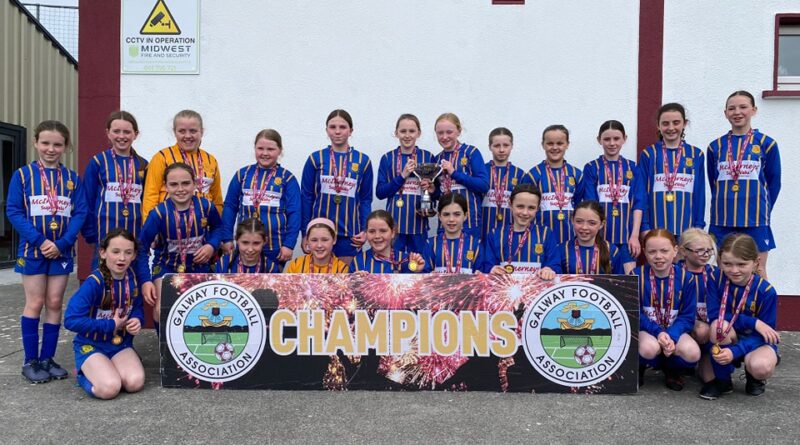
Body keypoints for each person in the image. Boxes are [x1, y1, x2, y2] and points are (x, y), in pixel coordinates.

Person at [7, 120, 87, 383]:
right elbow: (14, 211)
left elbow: (80, 213)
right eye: (45, 143)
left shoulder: (73, 179)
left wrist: (62, 243)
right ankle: (30, 361)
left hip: (61, 252)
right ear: (35, 143)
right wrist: (41, 241)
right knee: (35, 303)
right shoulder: (22, 175)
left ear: (65, 147)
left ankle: (47, 359)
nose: (51, 149)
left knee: (54, 303)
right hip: (33, 250)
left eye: (57, 144)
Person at [136, 163, 224, 336]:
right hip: (166, 267)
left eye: (185, 183)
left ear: (195, 184)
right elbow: (141, 248)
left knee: (203, 309)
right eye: (174, 184)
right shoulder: (158, 214)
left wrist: (211, 245)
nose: (180, 189)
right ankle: (166, 352)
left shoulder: (206, 206)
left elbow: (218, 228)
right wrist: (146, 280)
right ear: (166, 187)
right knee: (162, 306)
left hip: (199, 267)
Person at [707, 91, 781, 280]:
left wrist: (761, 209)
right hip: (722, 220)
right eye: (732, 108)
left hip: (755, 220)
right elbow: (712, 181)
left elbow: (774, 183)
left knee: (757, 270)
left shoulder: (767, 144)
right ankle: (725, 309)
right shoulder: (715, 147)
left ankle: (760, 310)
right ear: (725, 113)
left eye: (743, 107)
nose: (737, 112)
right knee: (724, 271)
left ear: (753, 110)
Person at [64, 228, 145, 399]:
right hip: (91, 344)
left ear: (134, 255)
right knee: (109, 389)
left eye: (127, 252)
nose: (121, 258)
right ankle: (82, 374)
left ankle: (107, 367)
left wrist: (137, 319)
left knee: (135, 382)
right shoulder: (93, 283)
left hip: (119, 343)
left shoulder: (133, 278)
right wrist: (110, 325)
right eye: (115, 252)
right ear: (103, 253)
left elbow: (136, 306)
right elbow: (70, 320)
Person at [699, 233, 780, 400]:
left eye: (742, 264)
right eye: (727, 264)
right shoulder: (716, 279)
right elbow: (714, 315)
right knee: (718, 327)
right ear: (720, 261)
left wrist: (735, 351)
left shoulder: (767, 292)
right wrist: (754, 322)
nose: (734, 270)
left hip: (756, 340)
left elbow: (765, 335)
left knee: (761, 366)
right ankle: (723, 381)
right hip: (728, 334)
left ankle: (754, 377)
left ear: (756, 262)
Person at [301, 110, 373, 264]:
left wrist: (365, 230)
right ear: (327, 130)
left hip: (350, 234)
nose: (338, 131)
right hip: (319, 233)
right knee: (320, 281)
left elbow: (365, 199)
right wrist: (305, 233)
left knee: (345, 281)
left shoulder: (363, 161)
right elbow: (307, 197)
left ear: (351, 130)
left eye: (343, 127)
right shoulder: (316, 158)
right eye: (333, 127)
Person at [221, 129, 301, 267]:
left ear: (280, 150)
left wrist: (289, 244)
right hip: (245, 246)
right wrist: (227, 238)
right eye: (260, 148)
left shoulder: (287, 178)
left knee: (270, 286)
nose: (265, 153)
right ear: (255, 149)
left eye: (270, 149)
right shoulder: (242, 175)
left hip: (275, 247)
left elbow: (295, 212)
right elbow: (229, 207)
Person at [82, 110, 149, 269]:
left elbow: (148, 201)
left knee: (135, 285)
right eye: (116, 131)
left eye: (127, 132)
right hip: (105, 235)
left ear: (135, 134)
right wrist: (91, 234)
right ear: (108, 133)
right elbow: (86, 201)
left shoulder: (143, 165)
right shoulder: (98, 162)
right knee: (103, 286)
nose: (122, 136)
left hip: (135, 236)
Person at [635, 229, 699, 391]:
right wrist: (658, 332)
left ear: (675, 251)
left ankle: (672, 369)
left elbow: (687, 316)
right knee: (648, 349)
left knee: (693, 353)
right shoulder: (636, 275)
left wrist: (671, 335)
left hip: (674, 329)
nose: (658, 256)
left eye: (664, 251)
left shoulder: (687, 278)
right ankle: (640, 366)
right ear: (644, 252)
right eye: (652, 251)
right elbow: (635, 313)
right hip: (648, 330)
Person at [578, 120, 644, 258]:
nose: (612, 143)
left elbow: (639, 203)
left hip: (627, 237)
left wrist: (635, 236)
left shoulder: (633, 168)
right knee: (601, 276)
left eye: (616, 138)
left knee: (628, 277)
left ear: (624, 139)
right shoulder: (591, 168)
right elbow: (591, 205)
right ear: (599, 140)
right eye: (607, 139)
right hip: (600, 237)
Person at [638, 103, 705, 237]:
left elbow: (699, 194)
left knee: (684, 258)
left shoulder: (696, 154)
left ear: (684, 123)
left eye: (676, 123)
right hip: (655, 228)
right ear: (658, 125)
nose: (671, 128)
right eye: (665, 123)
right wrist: (644, 226)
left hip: (687, 229)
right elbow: (642, 193)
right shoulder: (648, 154)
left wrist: (699, 227)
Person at [142, 109, 223, 217]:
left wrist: (217, 227)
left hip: (204, 225)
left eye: (193, 131)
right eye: (182, 131)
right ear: (175, 132)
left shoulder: (211, 160)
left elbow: (217, 199)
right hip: (169, 224)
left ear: (201, 132)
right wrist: (151, 228)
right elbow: (150, 196)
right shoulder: (162, 158)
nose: (188, 136)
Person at [375, 114, 436, 254]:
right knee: (394, 266)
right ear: (396, 133)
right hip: (394, 226)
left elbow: (436, 192)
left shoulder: (427, 157)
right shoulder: (387, 158)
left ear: (418, 133)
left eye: (412, 131)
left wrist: (431, 189)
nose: (407, 135)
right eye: (403, 131)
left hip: (418, 224)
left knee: (419, 267)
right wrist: (402, 176)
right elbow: (380, 193)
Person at [482, 183, 559, 279]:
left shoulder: (546, 234)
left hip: (538, 291)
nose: (525, 212)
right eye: (520, 206)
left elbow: (555, 264)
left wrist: (549, 269)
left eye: (531, 208)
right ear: (510, 205)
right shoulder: (495, 234)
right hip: (503, 291)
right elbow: (485, 265)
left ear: (538, 209)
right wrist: (491, 269)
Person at [432, 113, 489, 239]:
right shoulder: (436, 159)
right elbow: (439, 194)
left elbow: (484, 185)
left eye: (449, 132)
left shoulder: (471, 152)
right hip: (445, 225)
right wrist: (432, 190)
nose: (444, 137)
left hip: (469, 223)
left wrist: (454, 173)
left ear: (459, 131)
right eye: (440, 133)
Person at [522, 125, 582, 244]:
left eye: (560, 143)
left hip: (570, 237)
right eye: (550, 143)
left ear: (567, 144)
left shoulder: (577, 174)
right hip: (540, 237)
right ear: (543, 144)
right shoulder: (533, 175)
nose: (555, 147)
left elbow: (580, 205)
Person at [559, 201, 634, 275]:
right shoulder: (561, 250)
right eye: (579, 221)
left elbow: (621, 283)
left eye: (592, 223)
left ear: (601, 224)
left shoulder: (612, 251)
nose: (584, 227)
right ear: (572, 220)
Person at [481, 127, 527, 239]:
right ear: (490, 147)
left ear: (512, 146)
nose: (501, 150)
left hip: (511, 230)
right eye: (497, 146)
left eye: (506, 145)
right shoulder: (481, 171)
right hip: (483, 229)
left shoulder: (520, 174)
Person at [422, 193, 483, 273]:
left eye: (457, 214)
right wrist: (427, 275)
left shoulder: (475, 245)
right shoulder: (431, 244)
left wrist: (481, 275)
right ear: (439, 216)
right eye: (446, 214)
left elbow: (482, 275)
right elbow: (423, 276)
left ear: (465, 216)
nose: (451, 219)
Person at [349, 210, 426, 273]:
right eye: (372, 231)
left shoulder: (406, 260)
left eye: (383, 231)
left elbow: (415, 289)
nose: (377, 236)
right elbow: (347, 290)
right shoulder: (358, 262)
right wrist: (354, 283)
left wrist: (417, 273)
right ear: (366, 233)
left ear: (392, 233)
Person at [677, 228, 717, 346]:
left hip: (710, 324)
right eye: (699, 251)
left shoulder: (716, 274)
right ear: (683, 251)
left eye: (709, 251)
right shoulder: (675, 272)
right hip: (681, 323)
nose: (705, 255)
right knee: (701, 330)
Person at [215, 218, 280, 273]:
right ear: (236, 239)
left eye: (256, 243)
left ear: (265, 241)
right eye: (245, 243)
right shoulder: (223, 264)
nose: (250, 249)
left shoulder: (271, 268)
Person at [285, 218, 349, 273]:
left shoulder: (342, 269)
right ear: (307, 241)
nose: (319, 245)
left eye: (325, 240)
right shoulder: (296, 265)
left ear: (334, 240)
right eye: (314, 240)